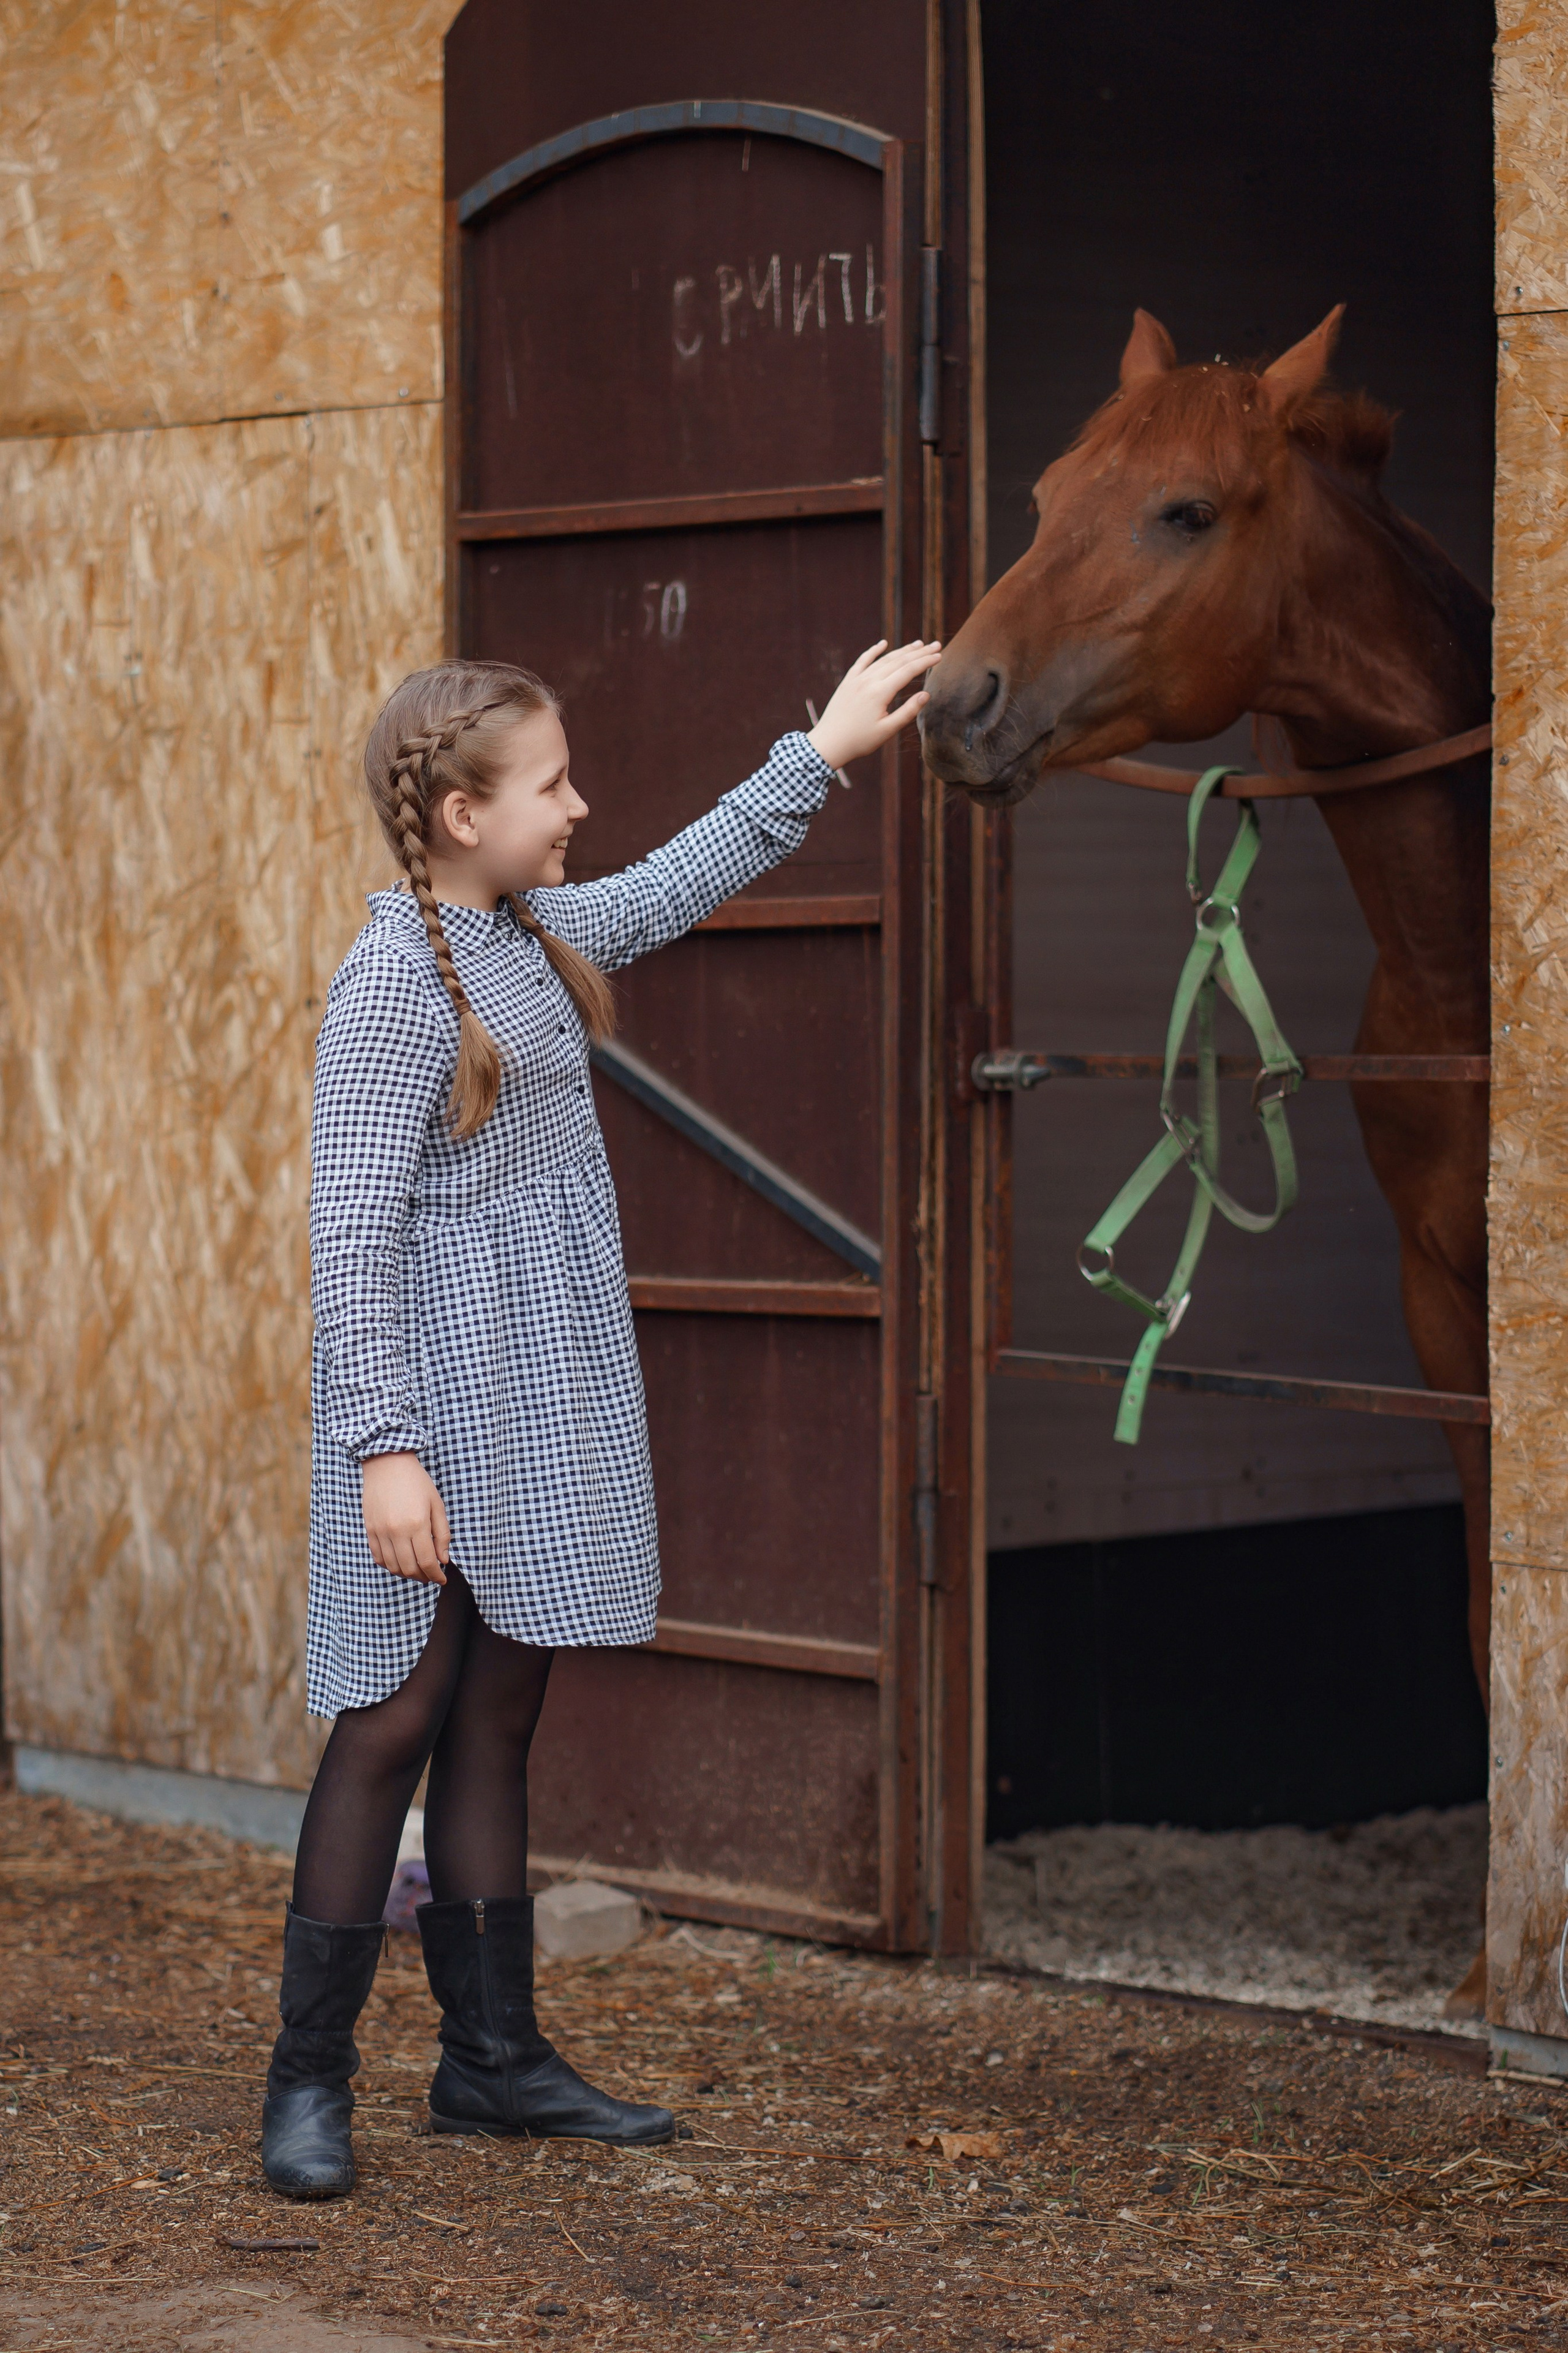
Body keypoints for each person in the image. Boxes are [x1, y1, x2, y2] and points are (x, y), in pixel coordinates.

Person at [262, 636, 940, 2198]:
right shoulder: (389, 989)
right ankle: (307, 2082)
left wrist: (820, 748)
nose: (579, 807)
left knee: (500, 1717)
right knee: (391, 1723)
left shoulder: (532, 934)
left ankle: (490, 2063)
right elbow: (350, 1240)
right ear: (456, 817)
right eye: (553, 783)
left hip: (543, 1406)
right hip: (426, 1422)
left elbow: (677, 878)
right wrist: (381, 1448)